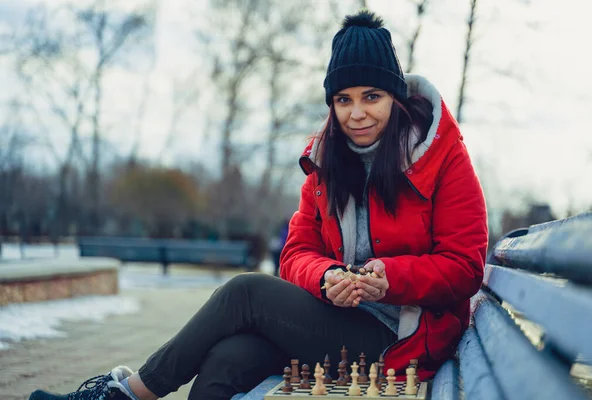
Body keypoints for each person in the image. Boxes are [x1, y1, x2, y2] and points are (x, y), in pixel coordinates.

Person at [29, 10, 487, 400]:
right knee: (224, 362)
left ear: (396, 97)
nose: (357, 113)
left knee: (245, 292)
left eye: (372, 96)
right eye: (343, 100)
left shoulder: (442, 156)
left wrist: (391, 279)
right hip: (333, 320)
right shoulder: (325, 164)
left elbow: (466, 266)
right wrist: (327, 278)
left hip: (402, 335)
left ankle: (128, 392)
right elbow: (295, 253)